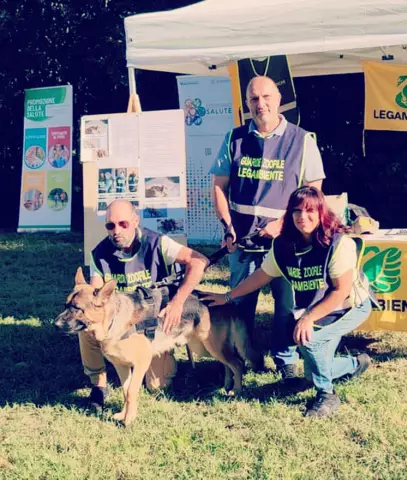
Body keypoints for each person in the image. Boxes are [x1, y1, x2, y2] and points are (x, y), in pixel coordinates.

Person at [203, 186, 374, 417]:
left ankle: (327, 395)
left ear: (321, 212)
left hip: (350, 305)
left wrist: (308, 318)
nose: (302, 217)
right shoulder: (284, 245)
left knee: (308, 341)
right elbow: (260, 276)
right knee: (311, 373)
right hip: (320, 307)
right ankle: (355, 364)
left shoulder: (337, 243)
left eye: (309, 210)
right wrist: (227, 296)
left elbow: (341, 290)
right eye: (296, 211)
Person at [209, 75, 326, 375]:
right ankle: (240, 359)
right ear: (247, 103)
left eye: (266, 97)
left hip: (287, 241)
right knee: (239, 302)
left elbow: (315, 195)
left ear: (278, 98)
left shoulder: (302, 140)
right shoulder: (233, 138)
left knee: (286, 304)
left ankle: (286, 360)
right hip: (244, 242)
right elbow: (219, 187)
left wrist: (283, 223)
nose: (260, 104)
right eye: (253, 99)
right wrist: (227, 226)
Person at [81, 199, 208, 412]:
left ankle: (165, 361)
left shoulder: (158, 242)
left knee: (157, 386)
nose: (116, 231)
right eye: (110, 226)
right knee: (86, 325)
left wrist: (178, 302)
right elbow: (94, 296)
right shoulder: (99, 254)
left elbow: (199, 261)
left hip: (153, 325)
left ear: (135, 221)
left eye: (123, 224)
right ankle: (99, 384)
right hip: (120, 321)